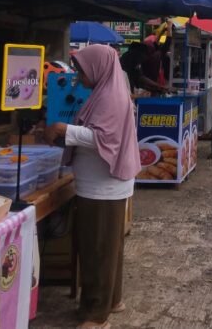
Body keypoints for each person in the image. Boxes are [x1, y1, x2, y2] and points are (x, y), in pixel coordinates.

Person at [44, 45, 140, 329]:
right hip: (103, 185)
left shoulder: (110, 96)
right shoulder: (107, 92)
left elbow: (104, 139)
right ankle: (111, 300)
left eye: (82, 68)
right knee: (109, 247)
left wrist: (63, 130)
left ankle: (96, 316)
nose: (78, 74)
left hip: (103, 188)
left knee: (97, 249)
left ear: (98, 67)